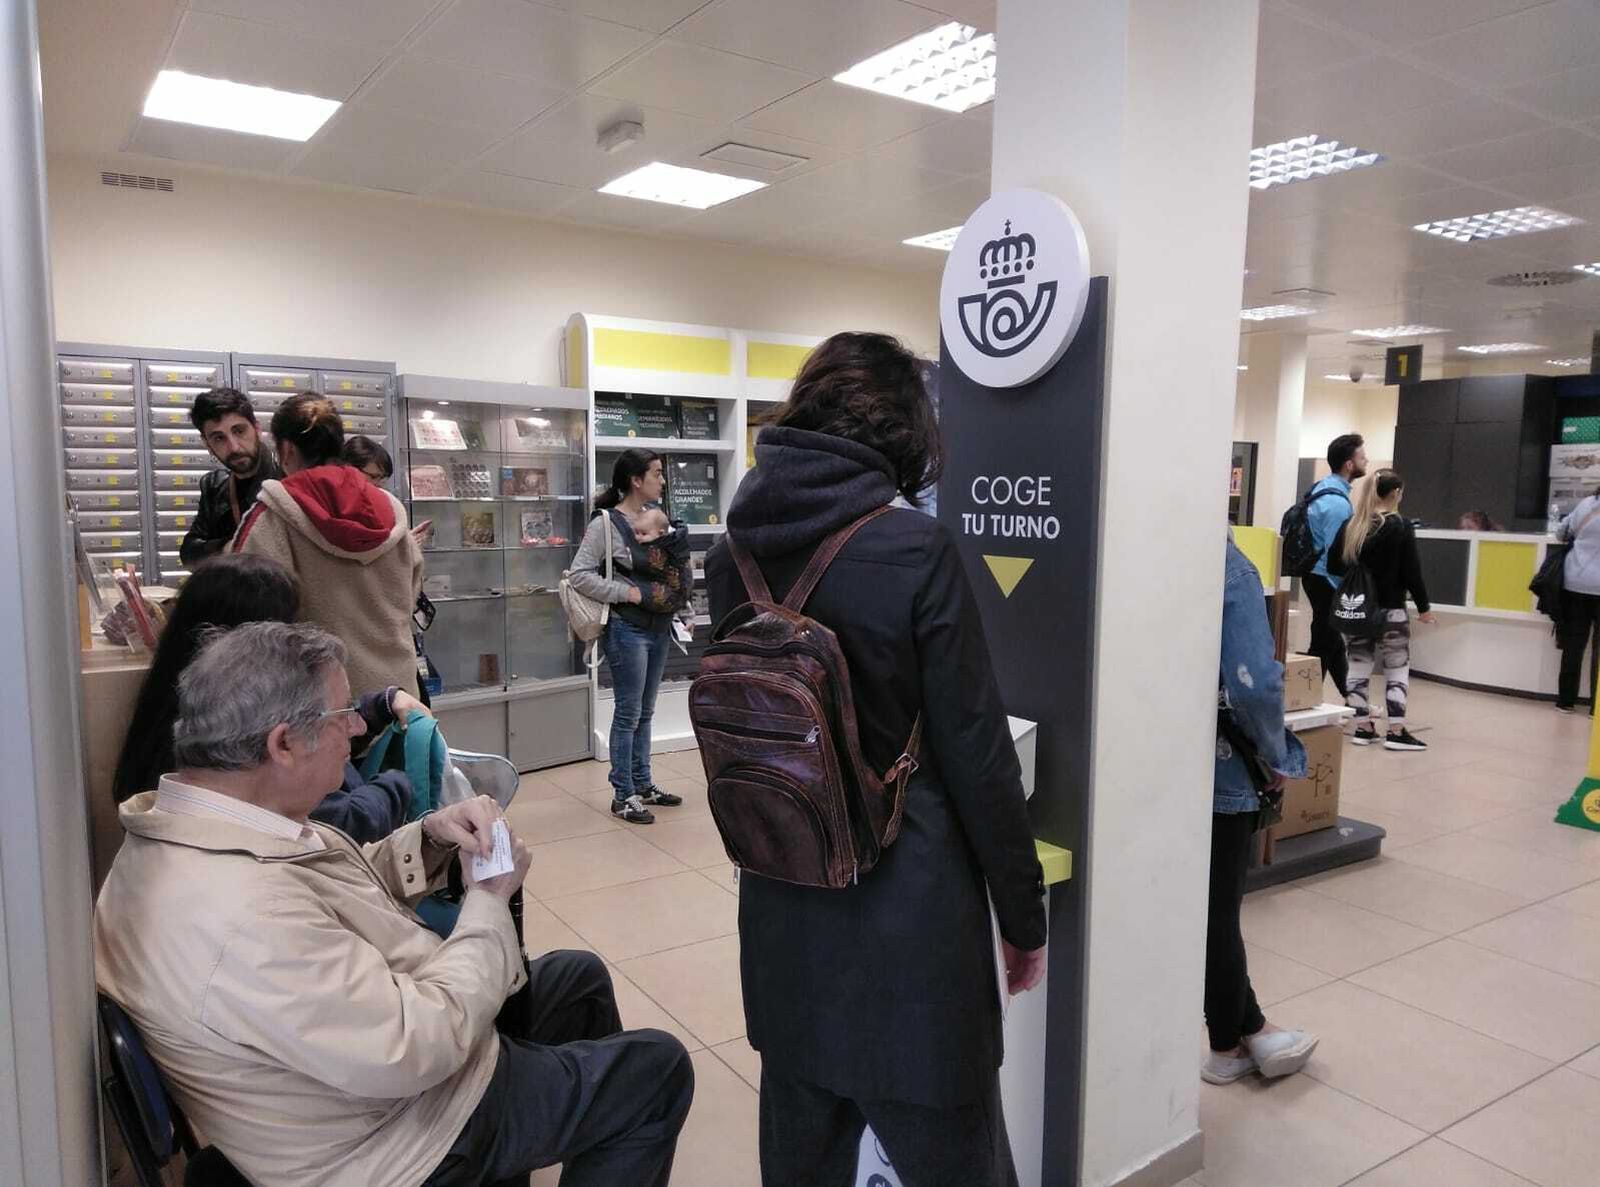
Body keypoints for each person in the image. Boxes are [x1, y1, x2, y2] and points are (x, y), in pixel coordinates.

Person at [95, 621, 693, 1187]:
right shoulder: (238, 915)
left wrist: (429, 837)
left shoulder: (211, 825)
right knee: (656, 1071)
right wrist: (488, 898)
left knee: (579, 980)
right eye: (341, 715)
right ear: (282, 743)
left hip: (354, 1082)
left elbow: (331, 892)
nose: (357, 729)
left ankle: (553, 1134)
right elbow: (413, 1044)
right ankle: (551, 1125)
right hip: (393, 1141)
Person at [704, 332, 1047, 1186]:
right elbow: (977, 754)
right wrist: (1022, 914)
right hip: (912, 923)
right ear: (904, 435)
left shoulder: (730, 556)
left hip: (783, 904)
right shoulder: (911, 549)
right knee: (957, 1159)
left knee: (803, 1158)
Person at [110, 553, 422, 842]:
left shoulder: (184, 710)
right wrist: (407, 775)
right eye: (288, 623)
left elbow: (309, 730)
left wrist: (374, 707)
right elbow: (346, 821)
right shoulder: (258, 766)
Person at [1207, 534, 1317, 1085]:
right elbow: (1252, 682)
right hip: (1218, 767)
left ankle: (1239, 1037)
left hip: (1134, 762)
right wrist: (1278, 755)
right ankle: (1237, 1039)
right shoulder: (1224, 562)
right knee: (1215, 913)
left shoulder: (1121, 535)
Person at [234, 394, 424, 698]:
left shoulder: (272, 520)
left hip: (322, 713)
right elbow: (410, 599)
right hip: (400, 702)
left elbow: (247, 626)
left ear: (286, 450)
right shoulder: (391, 514)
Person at [567, 450, 685, 825]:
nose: (662, 481)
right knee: (629, 712)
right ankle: (623, 794)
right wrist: (626, 593)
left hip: (660, 627)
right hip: (628, 628)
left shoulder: (660, 521)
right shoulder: (606, 523)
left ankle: (643, 783)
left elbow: (671, 572)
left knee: (645, 711)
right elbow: (579, 574)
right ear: (636, 480)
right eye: (656, 474)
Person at [1328, 470, 1435, 750]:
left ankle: (1363, 727)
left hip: (1359, 610)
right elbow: (1412, 571)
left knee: (1358, 665)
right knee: (1396, 668)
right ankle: (1397, 731)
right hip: (1391, 610)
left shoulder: (1352, 525)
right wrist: (1424, 607)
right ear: (1396, 493)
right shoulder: (1399, 525)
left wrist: (1360, 570)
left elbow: (1333, 566)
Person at [178, 387, 282, 566]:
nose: (233, 447)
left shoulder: (286, 478)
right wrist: (232, 546)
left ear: (257, 429)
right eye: (219, 438)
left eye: (239, 431)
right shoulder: (215, 486)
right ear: (207, 444)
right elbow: (189, 553)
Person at [1302, 433, 1367, 698]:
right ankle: (1303, 698)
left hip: (1314, 575)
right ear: (1349, 464)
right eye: (1362, 456)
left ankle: (1352, 699)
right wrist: (1345, 587)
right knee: (1323, 643)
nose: (1367, 461)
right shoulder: (1337, 504)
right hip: (1325, 578)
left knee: (1331, 642)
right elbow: (1336, 552)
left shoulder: (1322, 489)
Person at [1556, 486, 1600, 713]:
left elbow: (1561, 532)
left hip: (1576, 582)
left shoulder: (1586, 504)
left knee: (1573, 645)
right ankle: (1596, 707)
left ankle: (1565, 701)